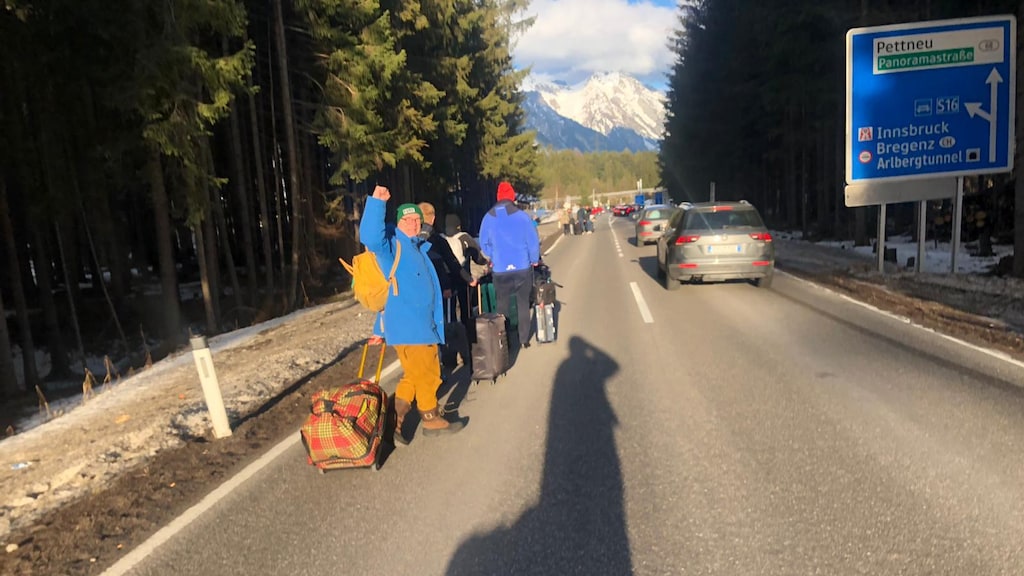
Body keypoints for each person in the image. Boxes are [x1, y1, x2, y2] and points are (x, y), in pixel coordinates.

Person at [359, 186, 464, 443]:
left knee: (413, 375)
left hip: (417, 325)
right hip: (411, 326)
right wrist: (377, 203)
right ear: (398, 222)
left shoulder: (418, 247)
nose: (413, 223)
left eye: (417, 219)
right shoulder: (392, 246)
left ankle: (395, 420)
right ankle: (431, 418)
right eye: (407, 219)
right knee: (429, 373)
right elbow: (370, 236)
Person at [478, 181, 540, 349]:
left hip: (500, 269)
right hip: (522, 267)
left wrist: (494, 255)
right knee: (522, 303)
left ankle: (504, 342)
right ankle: (524, 339)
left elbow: (483, 244)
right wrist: (534, 259)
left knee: (502, 306)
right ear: (512, 197)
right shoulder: (522, 216)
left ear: (498, 197)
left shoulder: (488, 217)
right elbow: (533, 243)